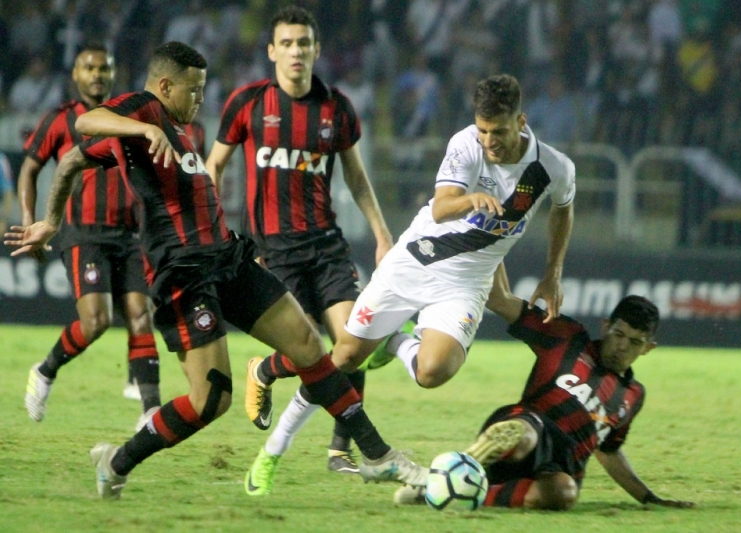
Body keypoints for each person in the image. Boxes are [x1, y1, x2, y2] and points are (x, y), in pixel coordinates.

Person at [4, 41, 428, 500]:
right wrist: (57, 215)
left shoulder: (178, 128)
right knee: (212, 401)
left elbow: (71, 163)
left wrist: (52, 215)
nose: (200, 100)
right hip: (184, 273)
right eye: (193, 90)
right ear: (166, 86)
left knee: (308, 344)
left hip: (228, 257)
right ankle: (117, 460)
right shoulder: (144, 111)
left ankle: (377, 455)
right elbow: (84, 125)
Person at [248, 72, 574, 492]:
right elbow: (440, 210)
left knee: (433, 372)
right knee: (342, 358)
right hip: (414, 263)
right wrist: (470, 199)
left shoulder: (553, 167)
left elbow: (563, 209)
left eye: (500, 131)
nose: (490, 140)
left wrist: (553, 273)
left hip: (465, 284)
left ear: (522, 122)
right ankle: (272, 452)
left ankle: (394, 342)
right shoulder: (466, 145)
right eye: (484, 130)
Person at [205, 5, 397, 489]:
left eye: (303, 43)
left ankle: (340, 449)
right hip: (273, 252)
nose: (295, 51)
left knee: (354, 342)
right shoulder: (247, 103)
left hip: (327, 246)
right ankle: (266, 367)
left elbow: (354, 175)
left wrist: (380, 233)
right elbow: (213, 169)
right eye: (286, 44)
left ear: (316, 49)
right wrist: (211, 230)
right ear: (271, 51)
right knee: (310, 351)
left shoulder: (336, 107)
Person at [395, 264, 695, 511]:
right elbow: (500, 299)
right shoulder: (567, 336)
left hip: (563, 464)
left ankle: (442, 491)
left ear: (648, 349)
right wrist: (495, 242)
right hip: (531, 424)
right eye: (619, 334)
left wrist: (648, 497)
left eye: (635, 342)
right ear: (606, 326)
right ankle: (457, 473)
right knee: (521, 436)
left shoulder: (633, 396)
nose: (622, 347)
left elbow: (609, 451)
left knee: (563, 494)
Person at [17, 42, 161, 431]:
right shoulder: (62, 120)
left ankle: (150, 411)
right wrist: (32, 222)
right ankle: (45, 371)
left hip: (130, 235)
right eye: (89, 68)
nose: (97, 74)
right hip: (84, 234)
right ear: (76, 75)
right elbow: (29, 169)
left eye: (104, 68)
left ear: (113, 73)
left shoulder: (125, 118)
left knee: (140, 316)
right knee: (96, 321)